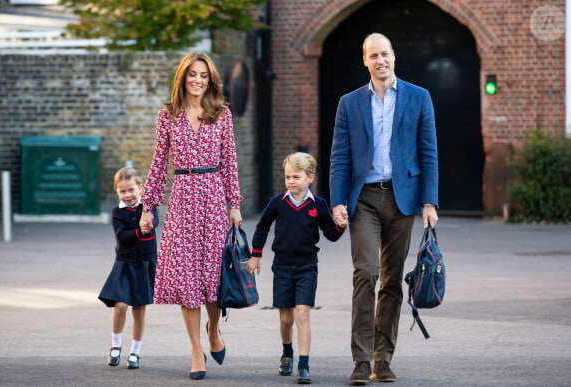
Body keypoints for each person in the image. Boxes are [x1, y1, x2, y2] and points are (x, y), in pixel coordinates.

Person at [330, 33, 439, 385]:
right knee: (365, 273)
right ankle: (361, 360)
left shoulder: (419, 98)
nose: (381, 60)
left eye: (386, 53)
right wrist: (337, 201)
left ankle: (383, 358)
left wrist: (429, 201)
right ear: (365, 60)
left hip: (402, 199)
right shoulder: (349, 103)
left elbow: (429, 153)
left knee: (391, 280)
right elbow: (339, 158)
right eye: (374, 55)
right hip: (363, 199)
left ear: (394, 56)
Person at [138, 52, 243, 380]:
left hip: (213, 197)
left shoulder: (221, 114)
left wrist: (234, 203)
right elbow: (158, 164)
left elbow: (230, 161)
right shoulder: (167, 115)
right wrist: (147, 207)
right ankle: (196, 352)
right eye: (192, 75)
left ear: (210, 80)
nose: (198, 80)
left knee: (212, 277)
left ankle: (214, 331)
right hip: (182, 198)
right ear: (182, 77)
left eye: (204, 76)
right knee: (187, 281)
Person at [247, 152, 348, 385]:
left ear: (310, 177)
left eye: (296, 176)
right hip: (281, 267)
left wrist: (341, 226)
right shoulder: (277, 202)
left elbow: (331, 235)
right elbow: (262, 228)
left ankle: (304, 365)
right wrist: (256, 256)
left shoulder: (318, 205)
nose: (291, 181)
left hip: (307, 267)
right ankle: (287, 352)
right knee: (285, 319)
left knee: (303, 313)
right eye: (287, 177)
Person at [98, 167, 159, 370]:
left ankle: (135, 351)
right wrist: (139, 231)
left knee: (139, 308)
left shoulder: (148, 207)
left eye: (131, 190)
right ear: (117, 192)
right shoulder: (117, 212)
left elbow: (153, 223)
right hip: (124, 263)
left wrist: (147, 222)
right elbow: (122, 237)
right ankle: (115, 346)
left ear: (140, 188)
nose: (128, 195)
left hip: (145, 263)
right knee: (121, 305)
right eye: (122, 191)